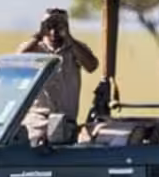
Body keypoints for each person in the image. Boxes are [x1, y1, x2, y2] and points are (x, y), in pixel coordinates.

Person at [17, 8, 99, 144]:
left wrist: (69, 38)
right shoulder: (35, 48)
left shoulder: (74, 48)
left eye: (59, 25)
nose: (53, 31)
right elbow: (18, 59)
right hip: (37, 120)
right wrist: (39, 35)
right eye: (49, 25)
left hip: (65, 121)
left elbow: (92, 66)